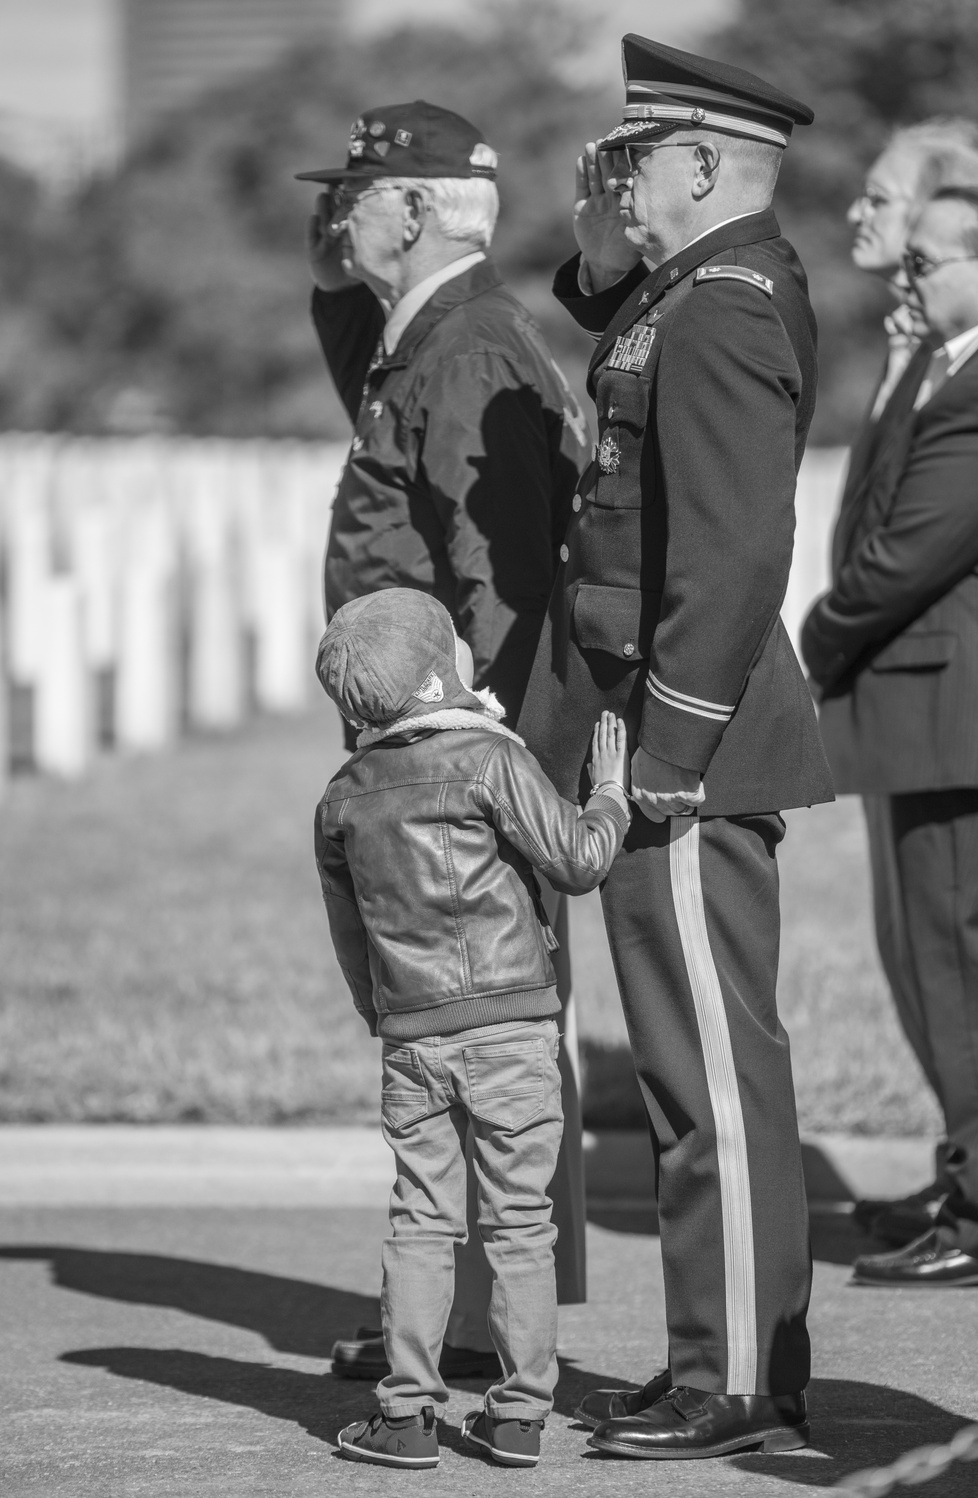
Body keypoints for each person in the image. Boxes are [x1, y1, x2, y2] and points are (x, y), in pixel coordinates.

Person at [517, 36, 833, 1459]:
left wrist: (670, 743)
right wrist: (600, 235)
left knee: (712, 1070)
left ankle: (746, 1377)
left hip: (679, 740)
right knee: (671, 1076)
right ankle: (709, 1348)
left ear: (702, 164)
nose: (617, 176)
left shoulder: (728, 306)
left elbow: (733, 547)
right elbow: (611, 308)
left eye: (635, 158)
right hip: (645, 724)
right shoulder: (683, 294)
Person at [298, 99, 591, 1381]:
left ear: (412, 211)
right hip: (430, 748)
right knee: (453, 1034)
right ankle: (460, 1318)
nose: (334, 213)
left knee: (472, 1034)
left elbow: (504, 577)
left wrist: (486, 766)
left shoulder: (468, 344)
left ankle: (476, 1328)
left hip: (454, 759)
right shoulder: (427, 327)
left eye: (355, 195)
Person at [314, 588, 631, 1469]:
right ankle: (519, 1414)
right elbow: (577, 861)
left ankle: (407, 1416)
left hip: (411, 1035)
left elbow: (354, 943)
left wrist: (385, 1018)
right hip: (516, 1029)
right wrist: (609, 794)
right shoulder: (491, 761)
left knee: (420, 1218)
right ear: (435, 682)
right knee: (521, 1222)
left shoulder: (342, 796)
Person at [802, 186, 978, 1289]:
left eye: (926, 262)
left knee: (961, 981)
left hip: (954, 714)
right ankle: (970, 1181)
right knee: (938, 974)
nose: (906, 280)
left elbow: (904, 552)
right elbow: (864, 511)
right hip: (924, 715)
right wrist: (888, 376)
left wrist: (811, 641)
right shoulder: (945, 368)